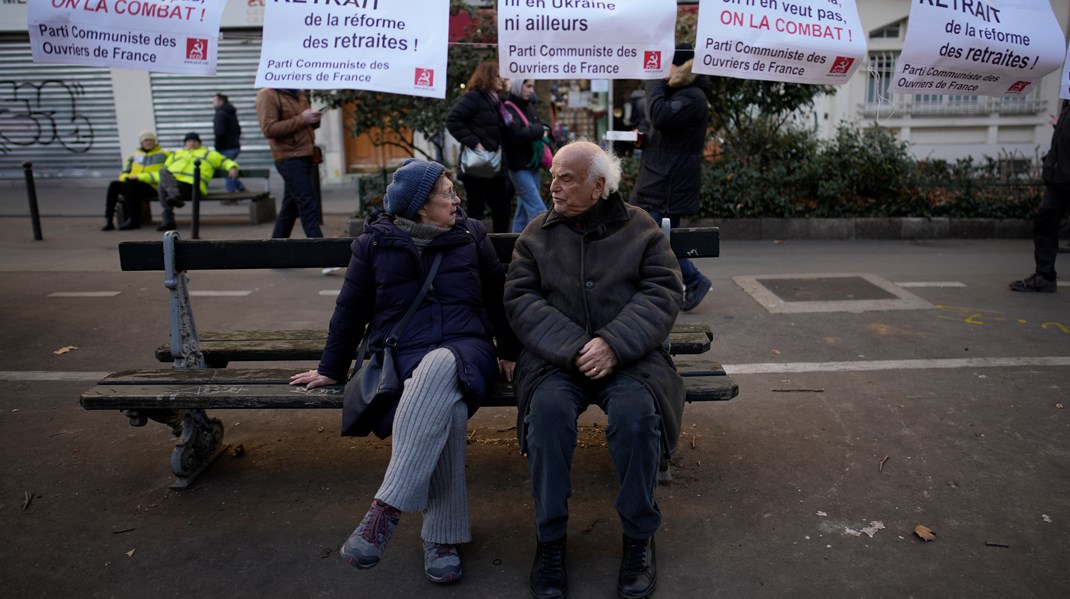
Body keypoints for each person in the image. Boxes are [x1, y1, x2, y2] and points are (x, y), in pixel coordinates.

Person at [290, 159, 520, 584]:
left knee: (441, 365)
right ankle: (441, 538)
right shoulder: (374, 244)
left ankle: (385, 509)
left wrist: (506, 348)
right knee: (446, 412)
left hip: (468, 348)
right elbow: (350, 310)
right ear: (419, 208)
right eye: (446, 194)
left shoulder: (470, 234)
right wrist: (330, 368)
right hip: (403, 353)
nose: (456, 200)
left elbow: (497, 294)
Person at [504, 141, 685, 599]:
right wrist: (577, 345)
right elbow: (521, 299)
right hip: (554, 362)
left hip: (630, 360)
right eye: (553, 176)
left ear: (598, 186)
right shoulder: (537, 234)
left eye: (566, 177)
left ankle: (639, 538)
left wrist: (614, 342)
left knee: (636, 418)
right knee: (546, 419)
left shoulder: (641, 229)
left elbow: (663, 290)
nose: (554, 186)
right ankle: (549, 541)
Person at [629, 43, 714, 312]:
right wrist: (645, 140)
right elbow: (660, 126)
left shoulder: (693, 96)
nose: (661, 70)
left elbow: (659, 116)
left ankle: (692, 279)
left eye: (666, 64)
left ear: (682, 67)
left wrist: (653, 78)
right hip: (660, 178)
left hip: (670, 182)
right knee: (656, 236)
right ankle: (678, 283)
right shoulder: (678, 93)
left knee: (654, 237)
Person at [1010, 100, 1070, 292]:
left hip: (1063, 175)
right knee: (1045, 221)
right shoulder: (1066, 104)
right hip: (1059, 177)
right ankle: (1045, 276)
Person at [446, 60, 512, 233]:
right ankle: (472, 245)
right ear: (487, 76)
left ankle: (499, 250)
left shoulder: (497, 101)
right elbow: (452, 120)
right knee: (476, 210)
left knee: (502, 210)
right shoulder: (474, 97)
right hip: (478, 166)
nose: (501, 79)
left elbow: (508, 126)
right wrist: (475, 142)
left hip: (495, 165)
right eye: (497, 75)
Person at [255, 88, 324, 238]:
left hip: (306, 153)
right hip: (288, 156)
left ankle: (276, 247)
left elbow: (304, 124)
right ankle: (320, 247)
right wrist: (302, 119)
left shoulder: (299, 92)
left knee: (291, 206)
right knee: (307, 203)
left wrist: (313, 119)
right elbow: (268, 129)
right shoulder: (268, 95)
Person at [139, 131, 239, 232]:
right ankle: (173, 202)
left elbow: (225, 161)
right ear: (185, 143)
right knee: (162, 176)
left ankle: (168, 218)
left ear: (199, 143)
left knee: (162, 186)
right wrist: (139, 177)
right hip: (174, 186)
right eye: (189, 141)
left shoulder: (209, 154)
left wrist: (232, 168)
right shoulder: (176, 154)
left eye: (194, 141)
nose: (192, 143)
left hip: (193, 186)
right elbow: (160, 174)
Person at [502, 78, 550, 232]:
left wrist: (540, 128)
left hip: (532, 164)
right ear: (517, 86)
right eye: (528, 86)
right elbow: (515, 135)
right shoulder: (508, 108)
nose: (531, 90)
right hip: (519, 166)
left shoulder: (528, 106)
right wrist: (539, 129)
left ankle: (515, 246)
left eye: (532, 87)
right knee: (538, 210)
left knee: (522, 214)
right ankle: (549, 242)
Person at [102, 129, 168, 231]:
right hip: (132, 185)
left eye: (151, 140)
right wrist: (126, 178)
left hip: (153, 186)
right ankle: (109, 220)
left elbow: (165, 174)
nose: (148, 142)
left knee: (129, 185)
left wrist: (139, 177)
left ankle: (133, 219)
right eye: (146, 140)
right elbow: (125, 172)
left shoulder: (164, 155)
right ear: (141, 142)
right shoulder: (134, 156)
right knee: (114, 185)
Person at [212, 93, 245, 193]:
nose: (212, 102)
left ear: (220, 101)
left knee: (226, 170)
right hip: (234, 146)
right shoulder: (231, 113)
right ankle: (240, 187)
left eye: (214, 100)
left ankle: (231, 194)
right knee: (229, 168)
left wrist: (217, 146)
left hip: (225, 147)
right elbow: (239, 130)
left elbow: (219, 132)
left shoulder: (220, 114)